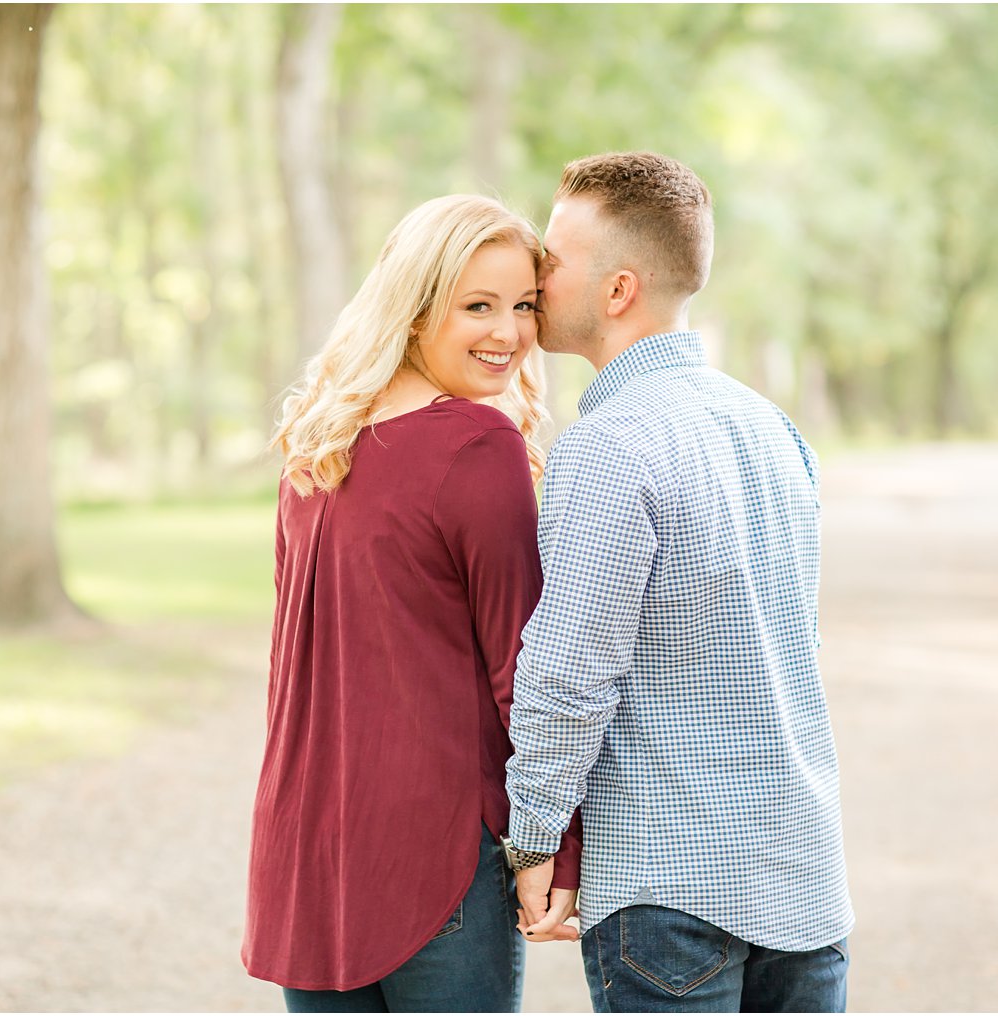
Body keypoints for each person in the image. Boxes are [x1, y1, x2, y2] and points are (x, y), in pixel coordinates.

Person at [502, 152, 855, 1012]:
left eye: (554, 257)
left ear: (618, 289)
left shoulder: (607, 445)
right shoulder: (770, 426)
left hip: (674, 892)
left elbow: (570, 669)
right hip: (803, 878)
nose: (536, 276)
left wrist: (533, 839)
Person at [244, 194, 581, 1013]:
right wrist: (554, 851)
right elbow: (522, 671)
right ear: (417, 305)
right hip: (433, 860)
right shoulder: (476, 444)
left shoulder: (316, 447)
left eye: (524, 306)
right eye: (478, 305)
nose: (508, 333)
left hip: (307, 858)